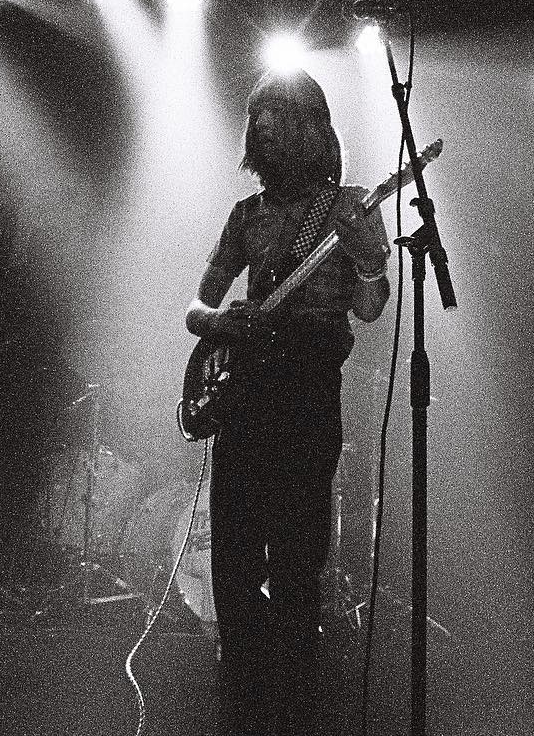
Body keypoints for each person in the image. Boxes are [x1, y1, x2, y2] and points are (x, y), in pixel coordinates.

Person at [185, 69, 391, 736]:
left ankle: (294, 716)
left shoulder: (351, 206)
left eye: (279, 111)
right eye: (258, 113)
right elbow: (195, 305)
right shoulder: (245, 215)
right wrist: (219, 322)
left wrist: (369, 260)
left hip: (306, 399)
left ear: (314, 127)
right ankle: (240, 713)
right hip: (244, 401)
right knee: (233, 570)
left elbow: (370, 307)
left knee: (297, 573)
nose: (264, 123)